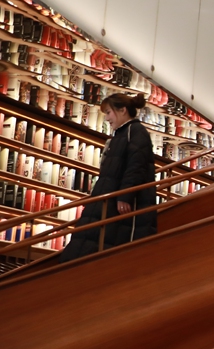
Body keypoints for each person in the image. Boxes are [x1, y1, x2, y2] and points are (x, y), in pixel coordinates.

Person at [59, 92, 157, 262]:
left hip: (116, 202)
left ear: (123, 110)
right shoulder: (124, 133)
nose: (106, 118)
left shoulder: (134, 132)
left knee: (101, 239)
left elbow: (136, 165)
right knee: (93, 238)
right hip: (108, 199)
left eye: (109, 112)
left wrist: (125, 195)